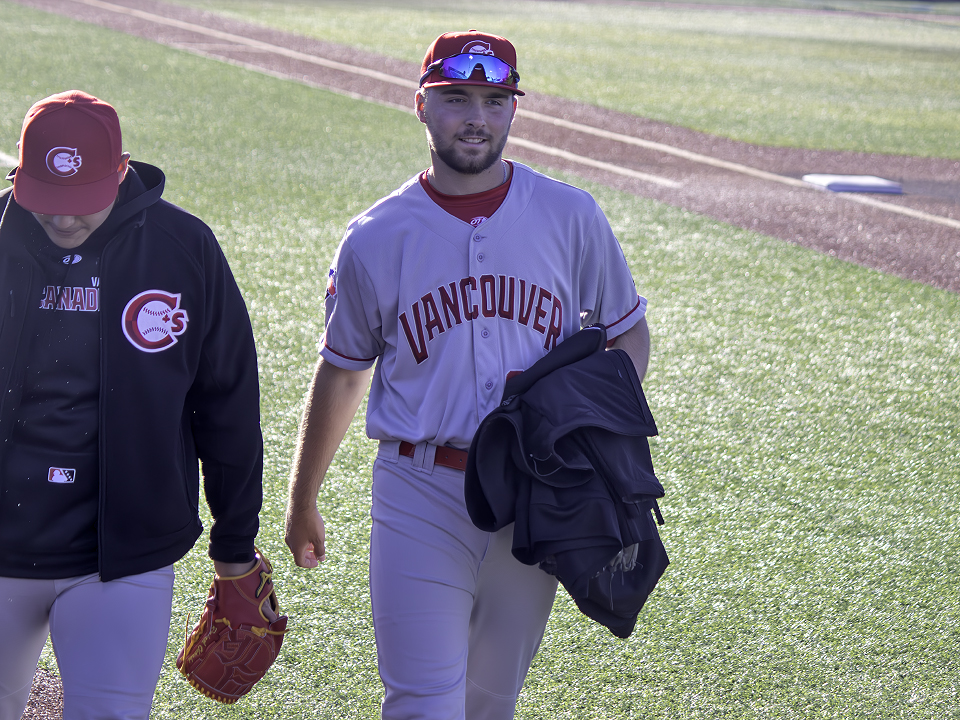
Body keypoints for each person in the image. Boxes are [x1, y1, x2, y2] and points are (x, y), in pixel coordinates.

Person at [285, 30, 651, 720]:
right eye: (456, 99)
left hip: (536, 494)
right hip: (418, 490)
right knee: (423, 703)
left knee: (490, 704)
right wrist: (303, 497)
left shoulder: (571, 215)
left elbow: (628, 331)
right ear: (421, 106)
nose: (475, 117)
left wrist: (591, 425)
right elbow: (341, 372)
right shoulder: (376, 236)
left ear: (515, 110)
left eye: (493, 99)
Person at [0, 90, 268, 720]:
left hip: (123, 557)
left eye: (81, 201)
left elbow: (226, 401)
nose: (63, 221)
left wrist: (235, 545)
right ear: (19, 177)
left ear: (121, 172)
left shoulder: (184, 248)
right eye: (47, 200)